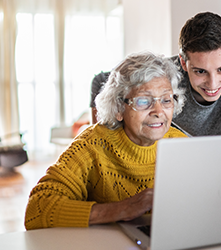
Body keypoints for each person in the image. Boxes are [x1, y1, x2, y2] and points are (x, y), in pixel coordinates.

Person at [25, 52, 187, 230]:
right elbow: (37, 209)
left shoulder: (183, 145)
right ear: (118, 108)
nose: (158, 110)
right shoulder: (92, 144)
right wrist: (121, 210)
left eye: (166, 100)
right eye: (143, 101)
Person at [90, 12, 221, 135]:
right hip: (174, 152)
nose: (212, 84)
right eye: (200, 71)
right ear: (183, 63)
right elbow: (101, 80)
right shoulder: (165, 73)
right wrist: (102, 137)